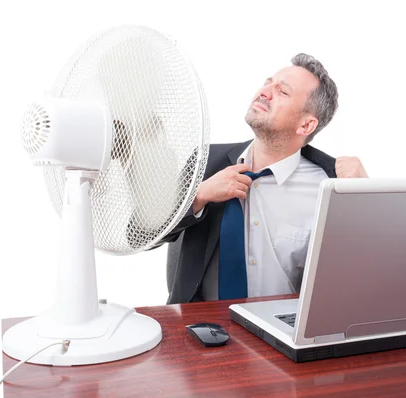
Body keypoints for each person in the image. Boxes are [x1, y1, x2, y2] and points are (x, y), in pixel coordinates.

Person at [156, 53, 368, 304]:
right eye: (268, 82)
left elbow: (367, 275)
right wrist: (199, 195)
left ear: (306, 125)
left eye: (283, 92)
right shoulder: (205, 162)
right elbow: (146, 233)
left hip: (283, 332)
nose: (265, 92)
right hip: (200, 328)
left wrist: (366, 198)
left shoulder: (330, 185)